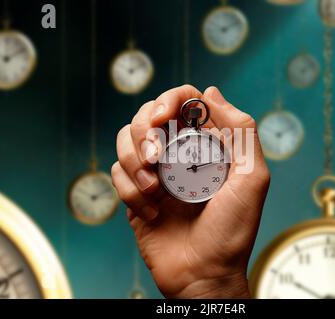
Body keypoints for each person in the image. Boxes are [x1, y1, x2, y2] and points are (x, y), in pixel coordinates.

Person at [111, 85, 271, 298]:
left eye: (201, 164)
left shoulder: (229, 154)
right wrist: (205, 286)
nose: (194, 167)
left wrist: (212, 284)